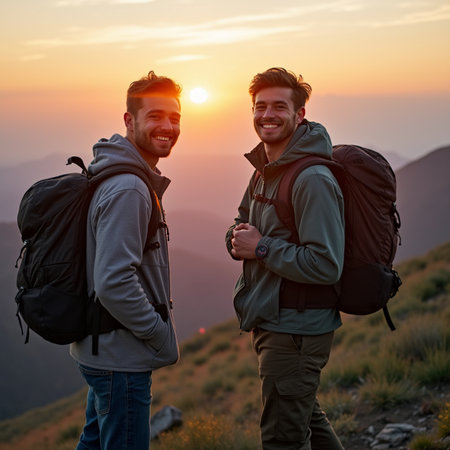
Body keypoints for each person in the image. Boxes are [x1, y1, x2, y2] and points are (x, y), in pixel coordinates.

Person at [225, 67, 345, 450]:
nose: (267, 115)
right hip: (275, 322)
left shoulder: (311, 179)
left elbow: (326, 263)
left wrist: (260, 248)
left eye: (280, 106)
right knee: (306, 420)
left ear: (300, 114)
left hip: (296, 328)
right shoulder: (265, 170)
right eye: (260, 106)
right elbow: (243, 220)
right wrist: (236, 237)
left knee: (282, 440)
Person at [70, 71, 181, 449]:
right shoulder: (130, 187)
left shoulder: (119, 174)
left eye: (175, 117)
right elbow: (114, 282)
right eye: (155, 116)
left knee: (95, 441)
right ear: (129, 121)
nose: (167, 126)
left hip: (104, 351)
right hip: (121, 358)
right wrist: (158, 333)